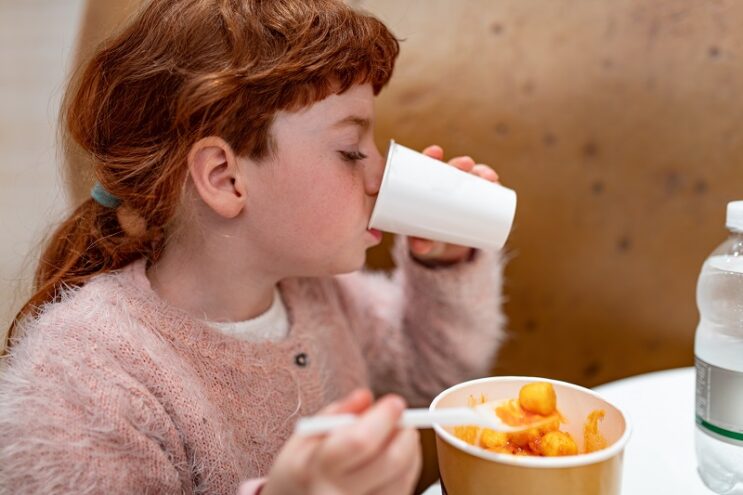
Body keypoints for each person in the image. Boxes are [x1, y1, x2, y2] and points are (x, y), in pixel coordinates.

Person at [0, 0, 506, 493]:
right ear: (224, 178)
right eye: (351, 151)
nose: (378, 175)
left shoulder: (320, 294)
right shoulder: (83, 384)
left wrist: (443, 263)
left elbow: (431, 379)